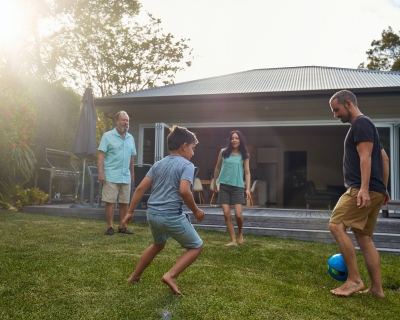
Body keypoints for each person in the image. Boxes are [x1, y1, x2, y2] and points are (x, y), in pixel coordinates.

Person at [121, 125, 204, 295]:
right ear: (184, 146)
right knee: (196, 246)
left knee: (158, 244)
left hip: (152, 215)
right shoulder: (187, 165)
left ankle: (134, 276)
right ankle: (171, 275)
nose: (193, 153)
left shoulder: (158, 164)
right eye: (192, 148)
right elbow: (184, 191)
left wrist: (130, 212)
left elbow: (139, 189)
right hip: (171, 216)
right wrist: (196, 210)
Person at [328, 90, 390, 298]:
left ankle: (354, 279)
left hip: (361, 188)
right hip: (375, 189)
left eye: (336, 110)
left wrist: (364, 189)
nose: (335, 115)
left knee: (336, 224)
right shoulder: (368, 125)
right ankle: (376, 289)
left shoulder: (360, 124)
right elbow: (384, 159)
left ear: (348, 104)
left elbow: (366, 157)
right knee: (364, 237)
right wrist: (382, 188)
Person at [98, 111, 136, 236]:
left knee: (124, 202)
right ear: (117, 121)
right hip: (111, 174)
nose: (125, 122)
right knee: (110, 201)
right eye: (123, 120)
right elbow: (101, 154)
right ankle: (110, 226)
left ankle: (122, 226)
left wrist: (132, 174)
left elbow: (131, 158)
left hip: (125, 175)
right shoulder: (107, 136)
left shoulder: (131, 138)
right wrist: (100, 172)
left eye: (127, 121)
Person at [213, 130, 251, 246]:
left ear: (240, 140)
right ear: (230, 140)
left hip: (238, 187)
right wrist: (215, 183)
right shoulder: (223, 152)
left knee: (238, 215)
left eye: (237, 138)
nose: (234, 140)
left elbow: (247, 172)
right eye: (232, 138)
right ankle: (233, 240)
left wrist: (247, 188)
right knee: (226, 214)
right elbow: (217, 168)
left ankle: (240, 233)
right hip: (224, 186)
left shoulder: (244, 155)